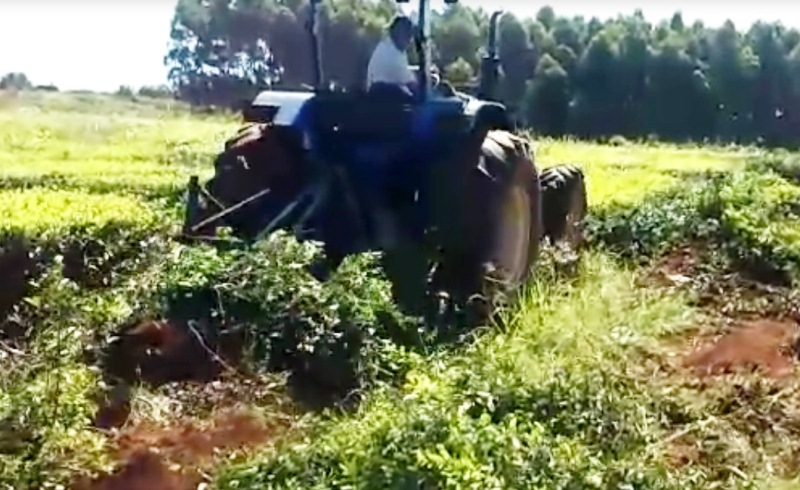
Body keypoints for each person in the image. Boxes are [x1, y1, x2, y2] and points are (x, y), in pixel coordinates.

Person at [366, 15, 417, 96]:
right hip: (389, 103)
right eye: (408, 35)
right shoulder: (393, 56)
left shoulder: (385, 47)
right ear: (398, 33)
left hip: (382, 98)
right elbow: (413, 85)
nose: (410, 40)